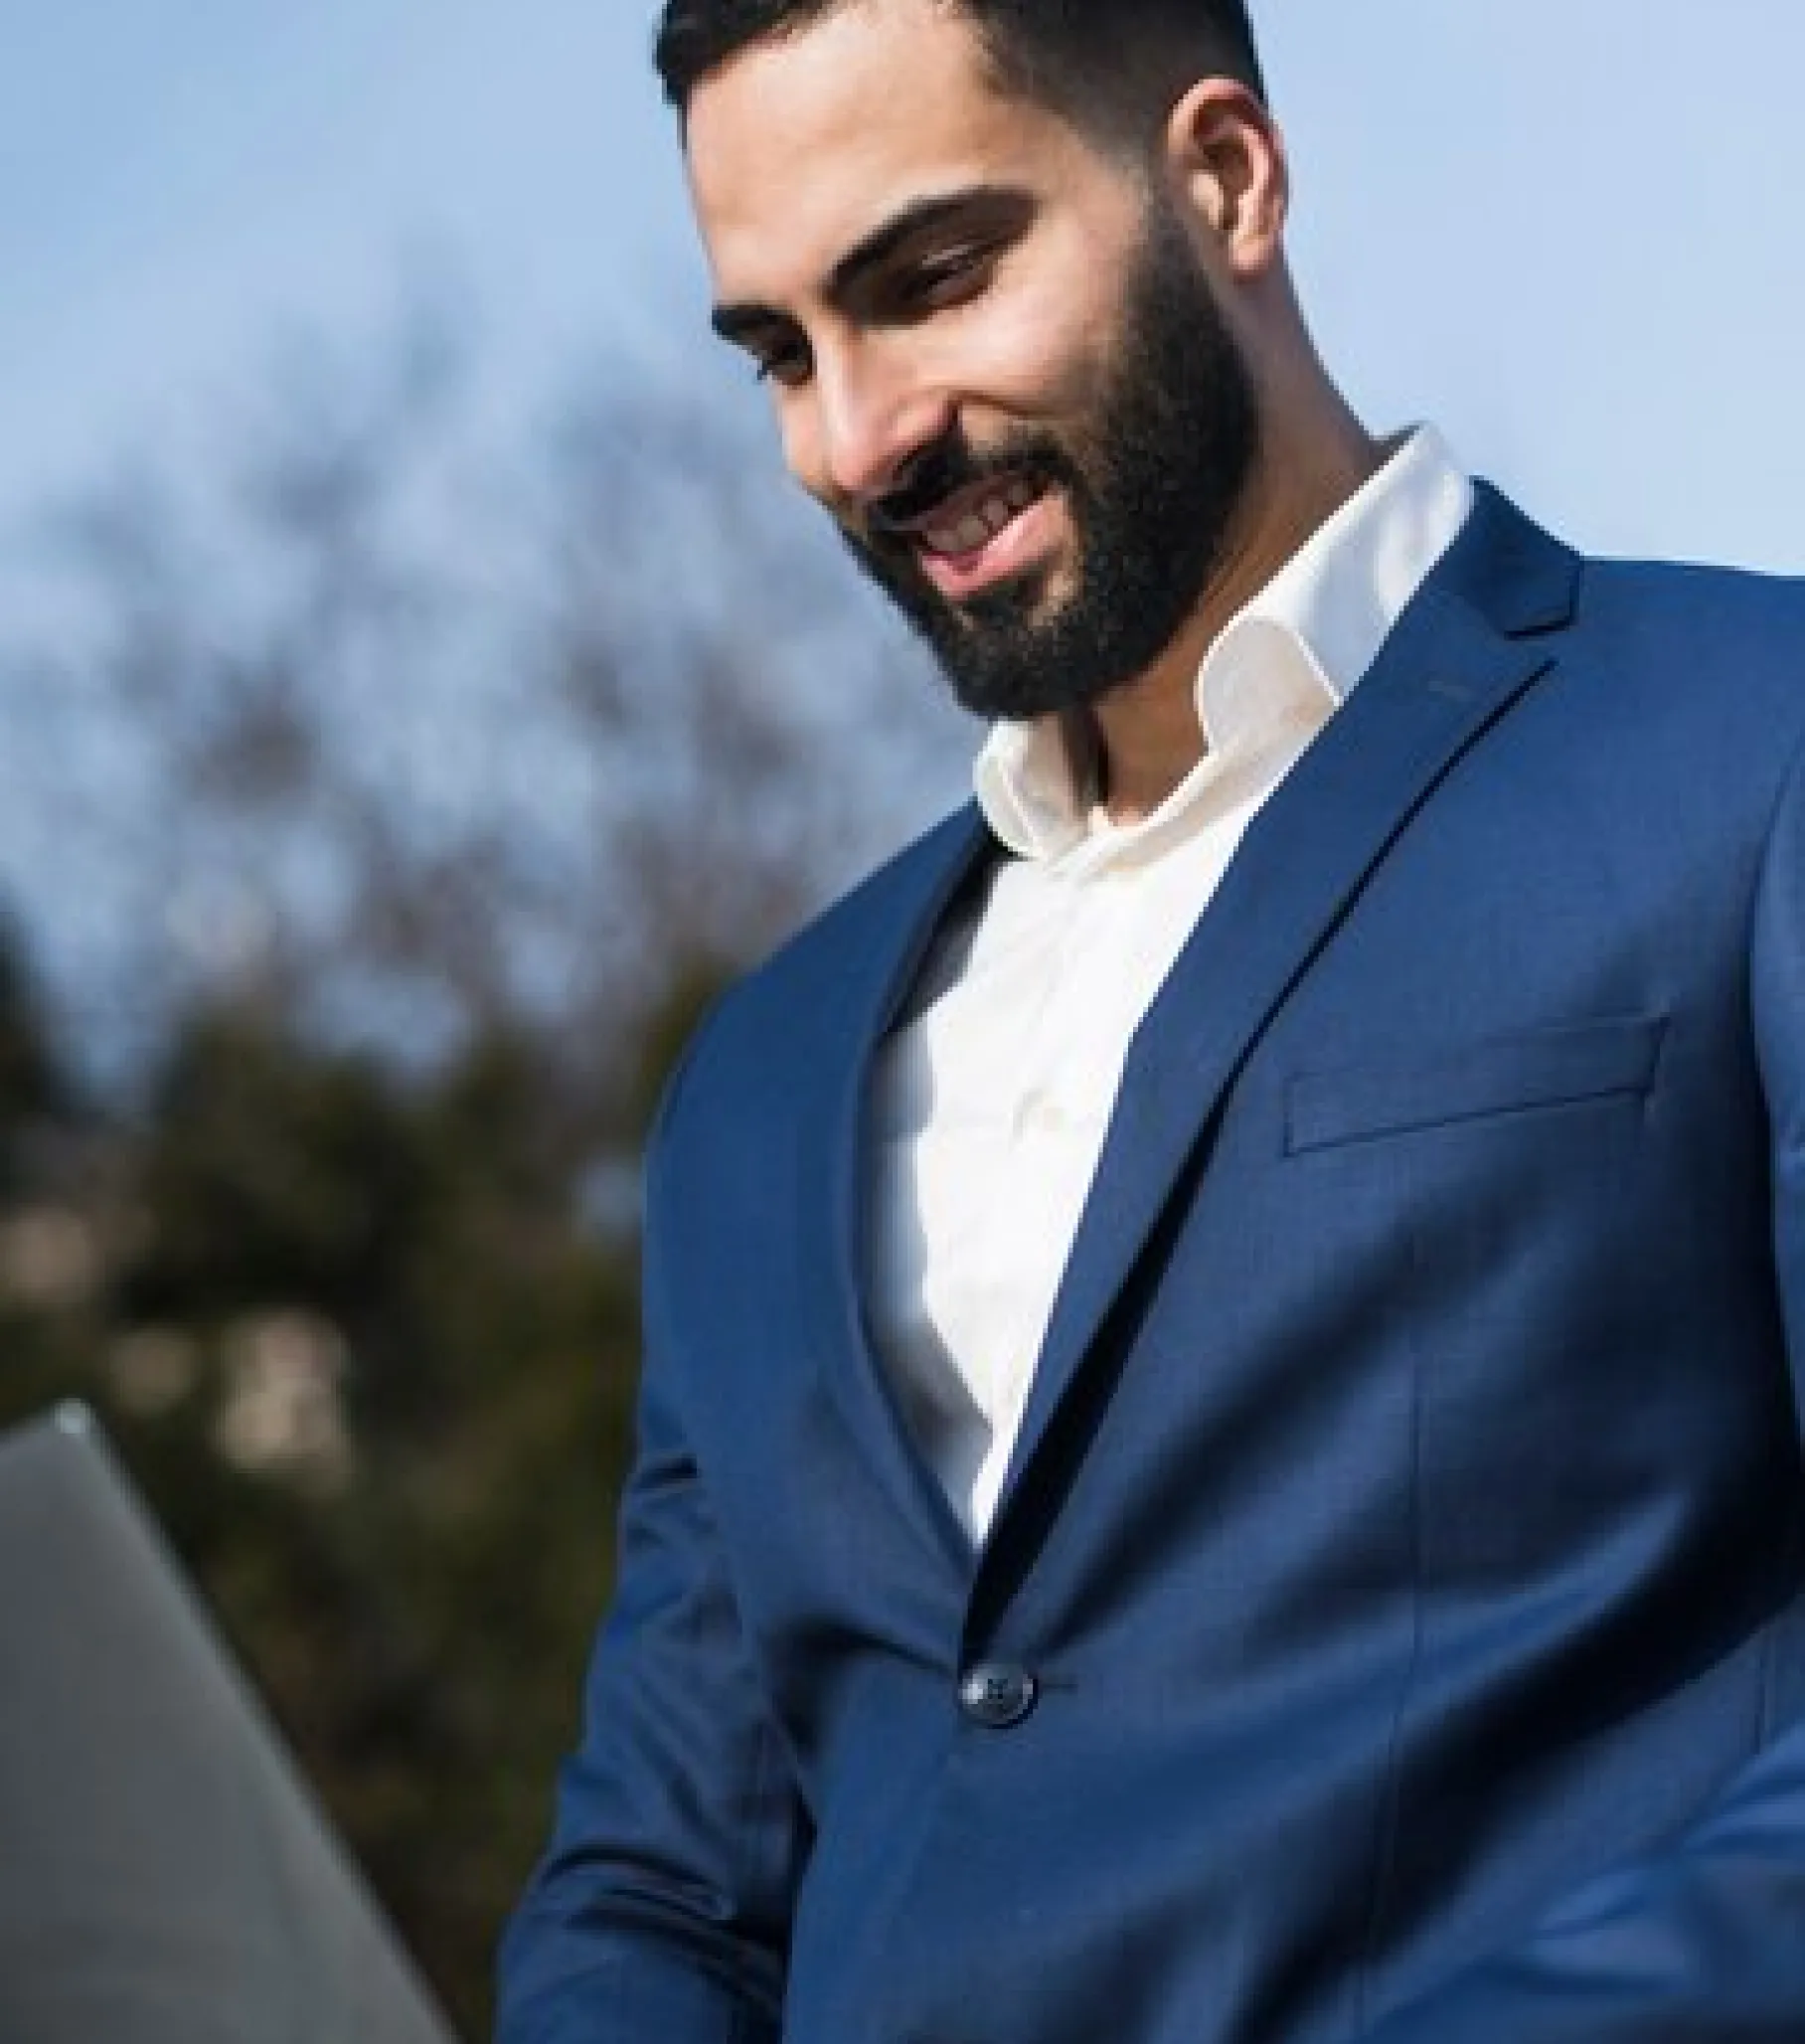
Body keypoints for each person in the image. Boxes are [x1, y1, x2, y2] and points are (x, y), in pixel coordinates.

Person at [497, 2, 1805, 2038]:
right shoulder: (756, 1083)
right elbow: (665, 1884)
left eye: (926, 281)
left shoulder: (1755, 744)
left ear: (1223, 179)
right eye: (778, 352)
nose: (856, 439)